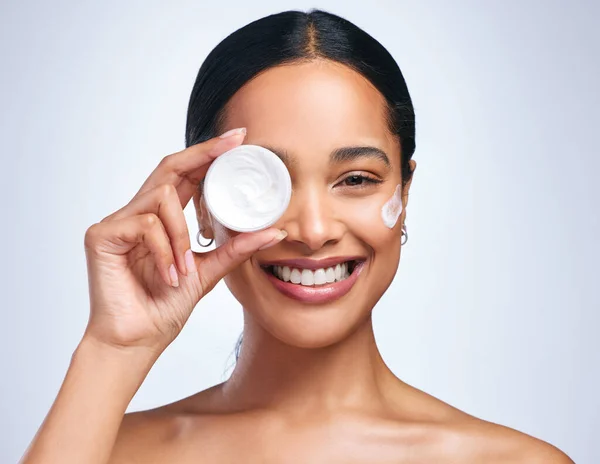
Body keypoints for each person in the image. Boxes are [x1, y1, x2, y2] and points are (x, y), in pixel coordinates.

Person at [21, 9, 573, 463]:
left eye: (356, 179)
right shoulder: (106, 453)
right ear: (206, 206)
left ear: (404, 195)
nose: (312, 232)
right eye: (264, 181)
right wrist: (112, 350)